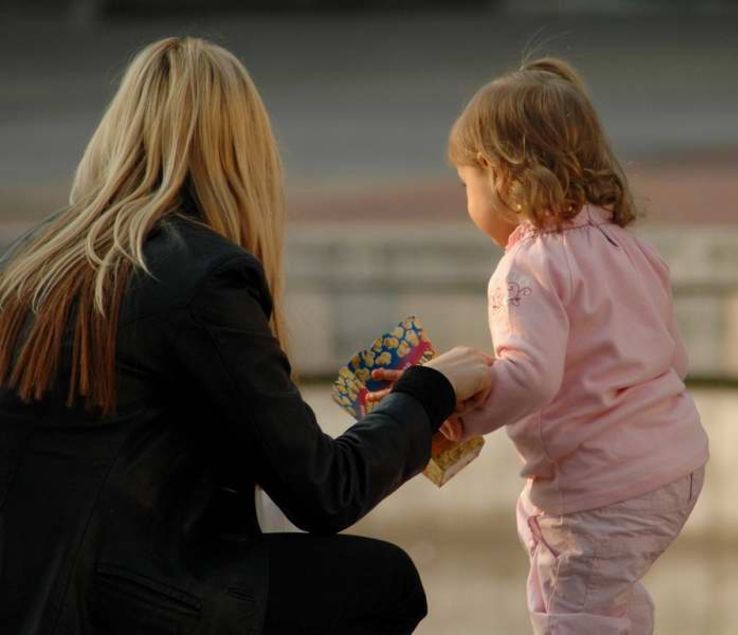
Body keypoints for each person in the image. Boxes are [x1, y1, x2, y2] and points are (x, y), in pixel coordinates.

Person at [0, 37, 492, 635]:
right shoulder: (201, 277)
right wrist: (428, 392)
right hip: (110, 601)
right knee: (381, 582)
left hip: (29, 593)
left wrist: (399, 417)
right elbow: (324, 491)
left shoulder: (32, 257)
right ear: (243, 155)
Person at [380, 57, 710, 634]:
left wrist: (458, 415)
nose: (467, 202)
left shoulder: (526, 266)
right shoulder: (626, 245)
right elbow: (669, 355)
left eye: (466, 185)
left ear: (500, 176)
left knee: (571, 613)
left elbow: (532, 377)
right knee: (610, 599)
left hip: (597, 489)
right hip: (675, 467)